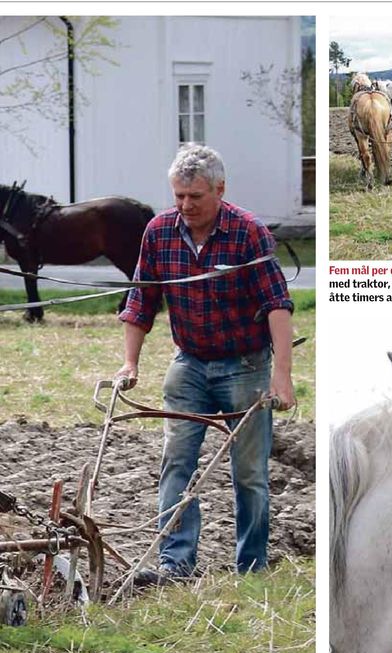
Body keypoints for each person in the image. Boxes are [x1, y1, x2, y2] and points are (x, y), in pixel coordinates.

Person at [117, 143, 295, 581]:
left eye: (195, 196)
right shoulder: (158, 233)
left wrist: (282, 376)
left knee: (249, 472)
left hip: (246, 365)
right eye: (178, 195)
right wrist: (130, 364)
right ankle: (175, 563)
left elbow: (277, 304)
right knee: (177, 462)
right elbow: (141, 302)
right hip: (190, 364)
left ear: (220, 189)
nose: (185, 205)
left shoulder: (248, 232)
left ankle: (251, 566)